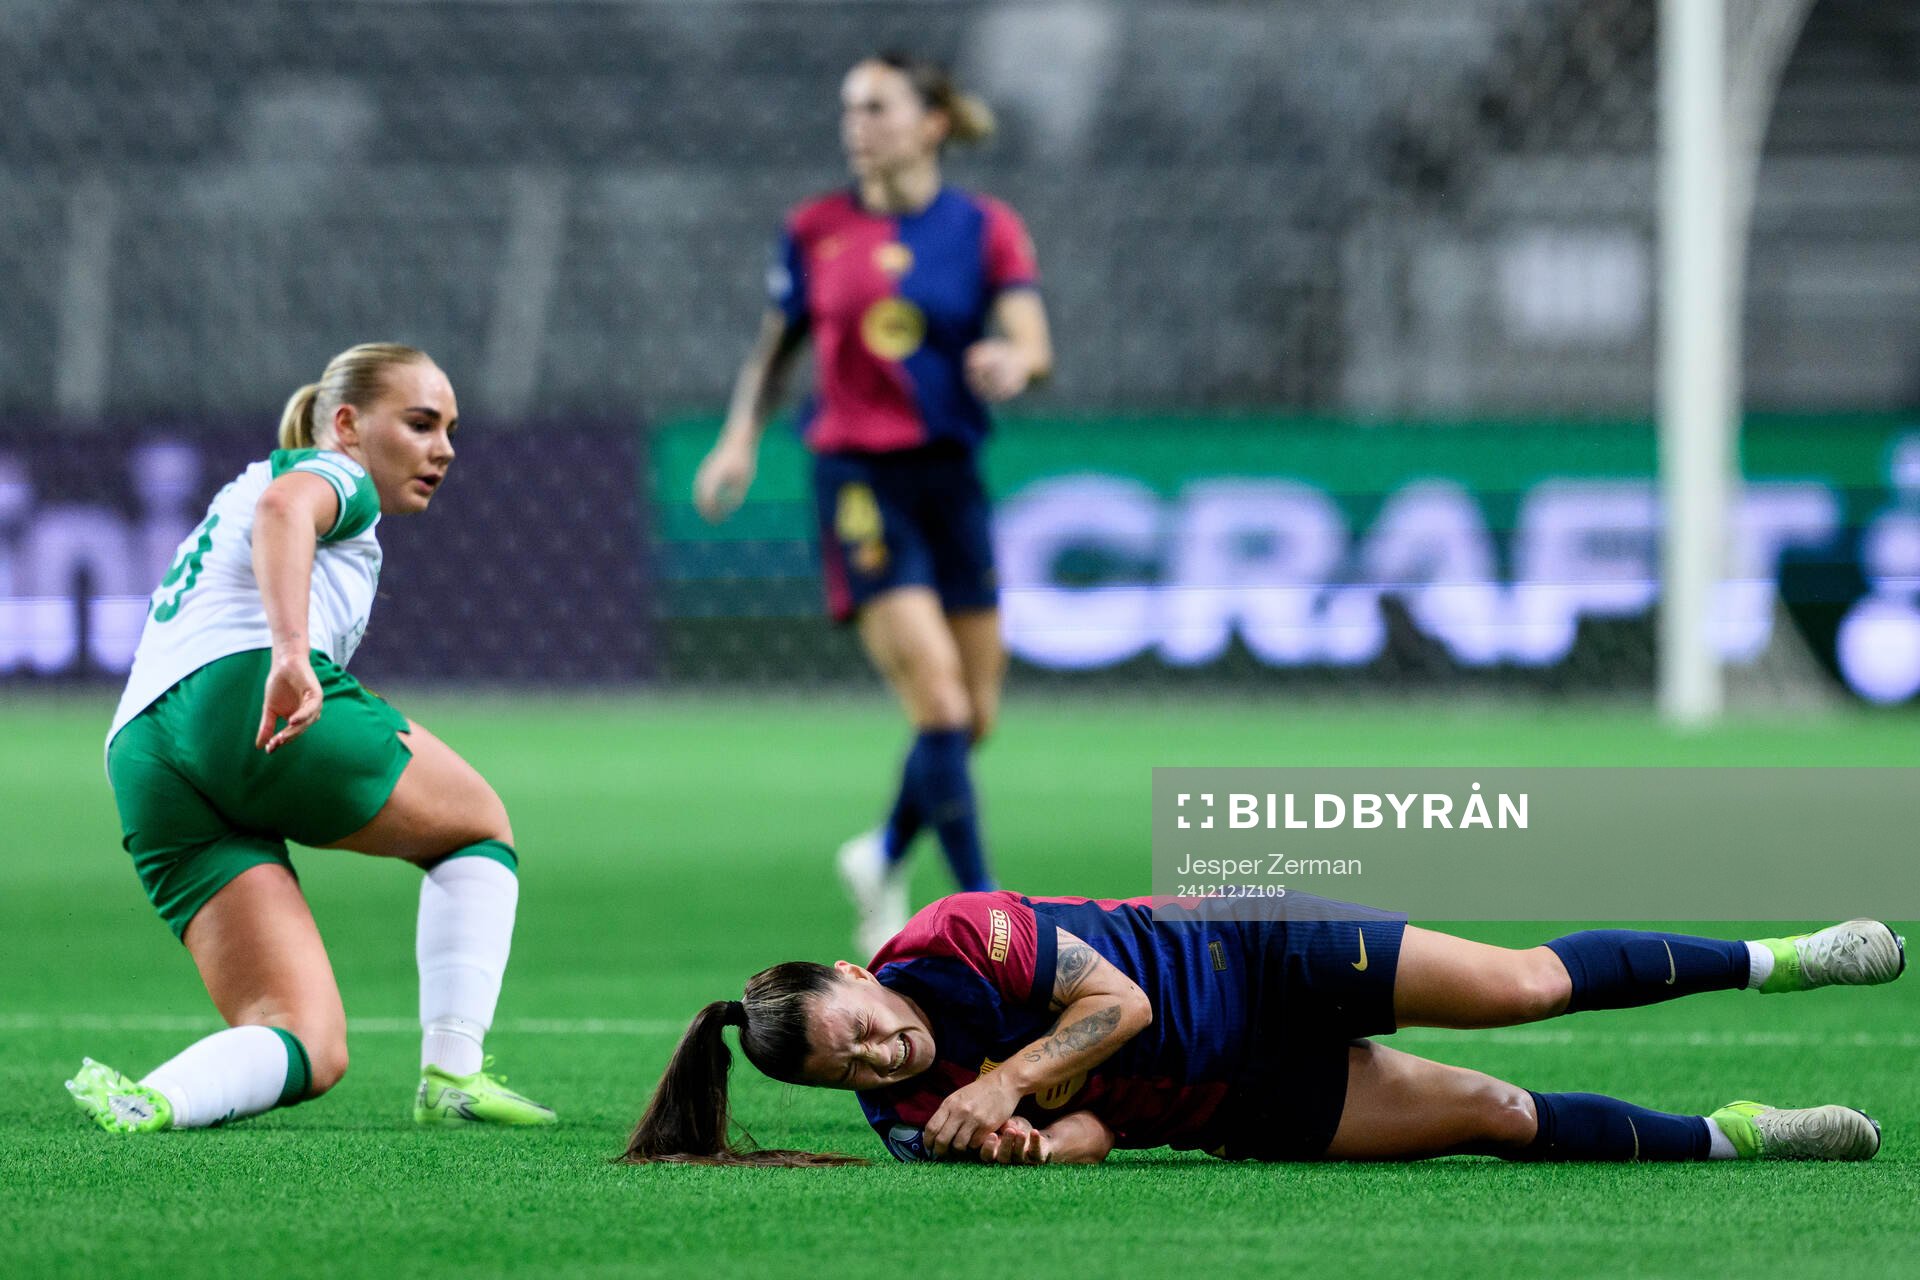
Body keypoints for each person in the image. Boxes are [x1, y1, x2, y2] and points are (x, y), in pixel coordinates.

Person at [67, 343, 555, 1133]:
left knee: (307, 1041)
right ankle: (454, 1074)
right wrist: (292, 653)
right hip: (235, 694)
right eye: (422, 423)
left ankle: (151, 1100)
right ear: (349, 424)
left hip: (142, 751)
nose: (444, 449)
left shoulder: (265, 480)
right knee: (477, 829)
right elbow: (284, 512)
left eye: (450, 430)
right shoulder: (337, 473)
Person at [622, 891, 1904, 1165]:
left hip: (1257, 957)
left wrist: (1007, 1079)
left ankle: (1779, 957)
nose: (881, 1054)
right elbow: (1092, 1139)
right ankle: (1738, 1137)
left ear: (859, 970)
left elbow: (1114, 1003)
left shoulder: (952, 938)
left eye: (864, 1025)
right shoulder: (910, 1124)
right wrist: (1031, 1147)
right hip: (1232, 1102)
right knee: (1493, 1114)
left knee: (1523, 987)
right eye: (851, 1065)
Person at [691, 51, 1054, 956]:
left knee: (976, 714)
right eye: (850, 106)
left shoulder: (984, 228)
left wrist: (1014, 364)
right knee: (937, 702)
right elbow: (776, 350)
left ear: (931, 122)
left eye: (879, 107)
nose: (858, 123)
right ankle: (992, 918)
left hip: (951, 477)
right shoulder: (815, 228)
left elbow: (1032, 341)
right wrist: (739, 438)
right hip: (857, 479)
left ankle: (883, 850)